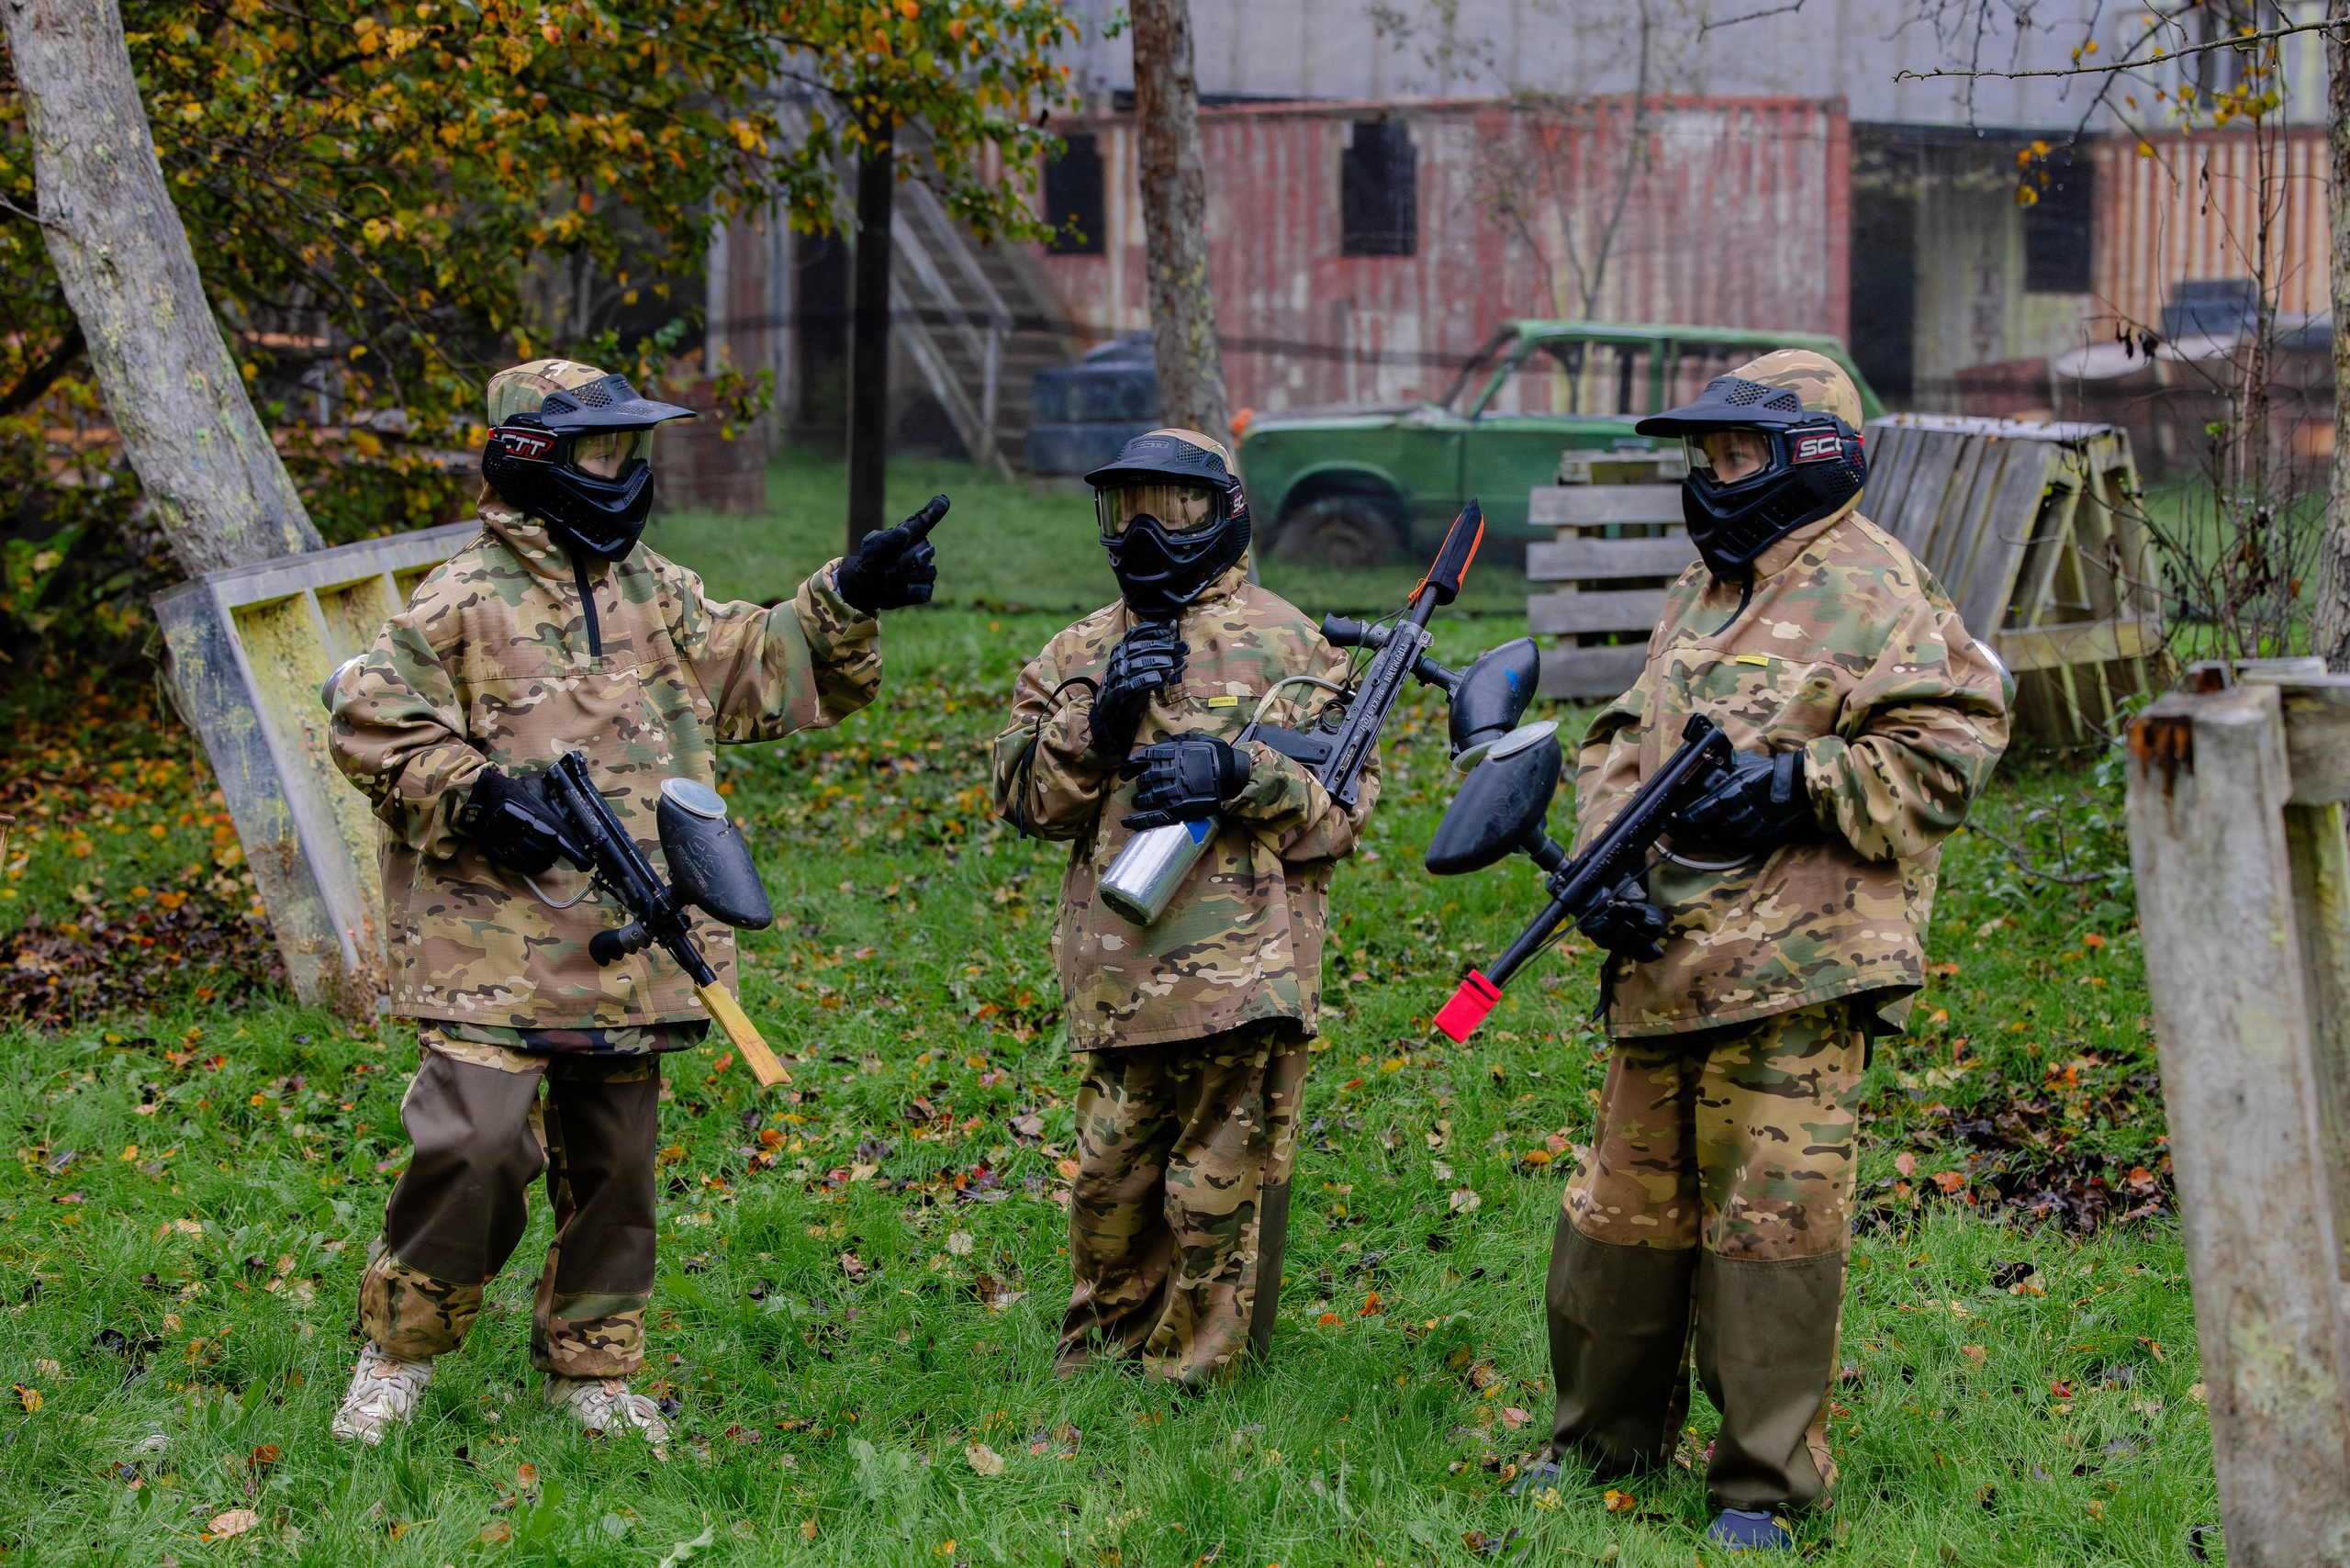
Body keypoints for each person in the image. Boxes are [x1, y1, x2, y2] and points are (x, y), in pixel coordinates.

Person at [322, 358, 944, 1446]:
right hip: (492, 948)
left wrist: (849, 592)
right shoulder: (461, 599)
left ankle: (590, 1373)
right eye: (598, 450)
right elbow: (369, 721)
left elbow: (758, 671)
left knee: (615, 1166)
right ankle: (399, 1356)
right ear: (533, 458)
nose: (620, 470)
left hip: (632, 940)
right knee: (471, 1147)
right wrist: (474, 793)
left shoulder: (654, 588)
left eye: (626, 449)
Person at [1533, 352, 2009, 1550]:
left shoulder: (1880, 589)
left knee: (1771, 1234)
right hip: (1669, 956)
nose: (1711, 476)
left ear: (1812, 455)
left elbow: (1954, 746)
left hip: (1803, 972)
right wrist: (1605, 867)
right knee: (1617, 1220)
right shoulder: (1706, 587)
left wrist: (1800, 785)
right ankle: (1601, 1442)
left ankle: (1761, 1487)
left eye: (1734, 454)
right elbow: (1617, 737)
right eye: (1704, 456)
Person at [990, 427, 1375, 1385]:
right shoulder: (1079, 648)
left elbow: (1339, 820)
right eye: (1129, 511)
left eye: (1176, 509)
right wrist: (1098, 722)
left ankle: (1198, 1385)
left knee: (1217, 1194)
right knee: (1107, 1185)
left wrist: (1240, 774)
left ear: (1225, 513)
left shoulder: (1293, 647)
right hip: (1117, 975)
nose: (1149, 533)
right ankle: (1105, 1361)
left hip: (1245, 979)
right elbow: (1025, 804)